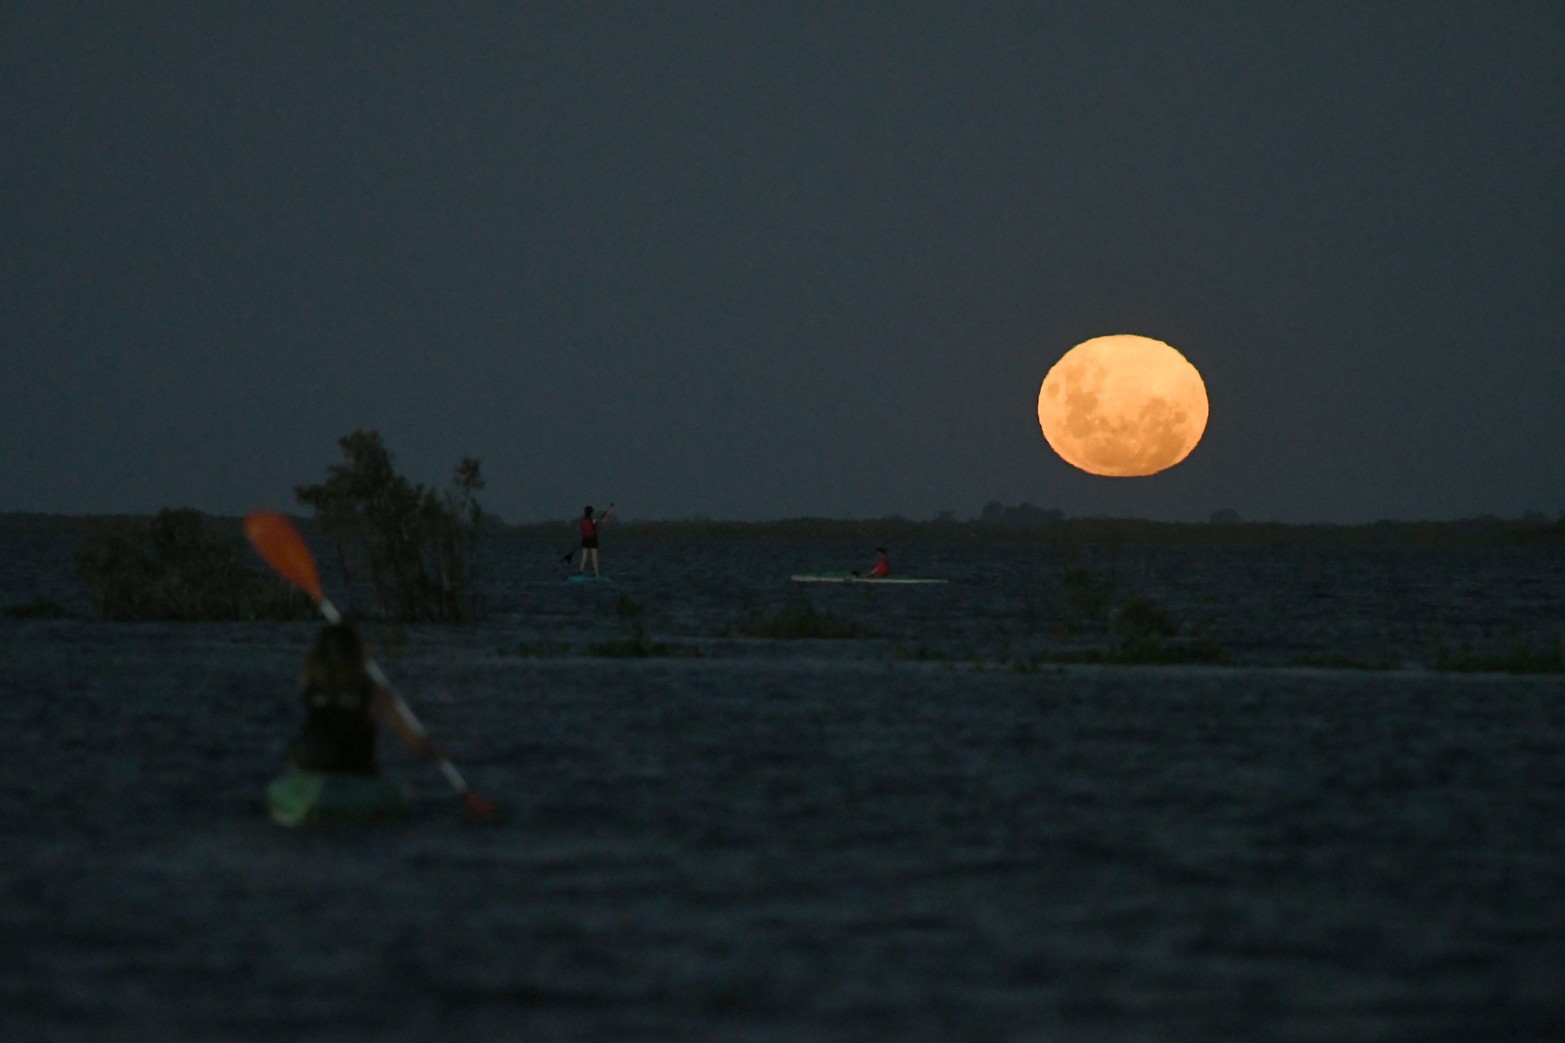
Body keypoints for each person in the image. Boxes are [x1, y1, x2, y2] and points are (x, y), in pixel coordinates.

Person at [285, 622, 443, 775]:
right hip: (356, 771)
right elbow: (414, 742)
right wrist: (433, 752)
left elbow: (313, 669)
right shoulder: (373, 691)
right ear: (358, 654)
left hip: (311, 767)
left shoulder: (310, 682)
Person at [577, 503, 614, 576]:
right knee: (594, 557)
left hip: (585, 540)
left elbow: (578, 529)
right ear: (591, 512)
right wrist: (608, 513)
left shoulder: (582, 520)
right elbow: (604, 521)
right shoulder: (593, 520)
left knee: (584, 557)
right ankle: (596, 574)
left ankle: (580, 571)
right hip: (593, 540)